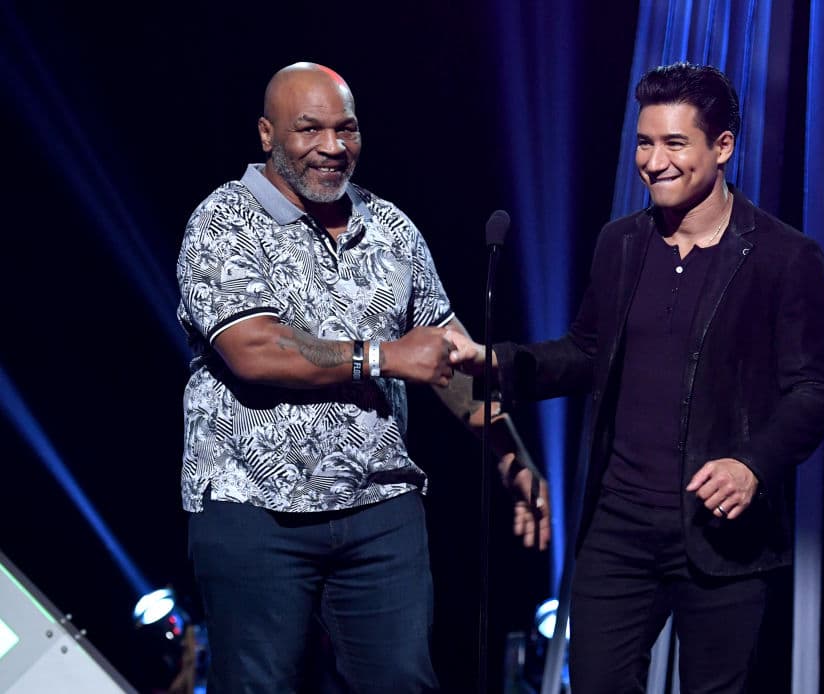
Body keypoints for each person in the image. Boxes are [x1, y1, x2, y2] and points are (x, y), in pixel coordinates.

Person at [450, 62, 824, 693]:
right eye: (644, 142)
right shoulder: (621, 243)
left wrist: (753, 464)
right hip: (619, 527)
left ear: (722, 147)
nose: (653, 162)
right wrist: (502, 363)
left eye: (674, 143)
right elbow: (587, 351)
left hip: (722, 532)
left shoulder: (784, 256)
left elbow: (816, 389)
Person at [176, 62, 550, 694]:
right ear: (267, 134)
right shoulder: (223, 220)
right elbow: (254, 350)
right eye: (309, 130)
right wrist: (382, 357)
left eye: (345, 129)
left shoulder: (390, 226)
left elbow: (446, 358)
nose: (332, 147)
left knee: (404, 682)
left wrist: (514, 459)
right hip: (255, 511)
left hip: (380, 507)